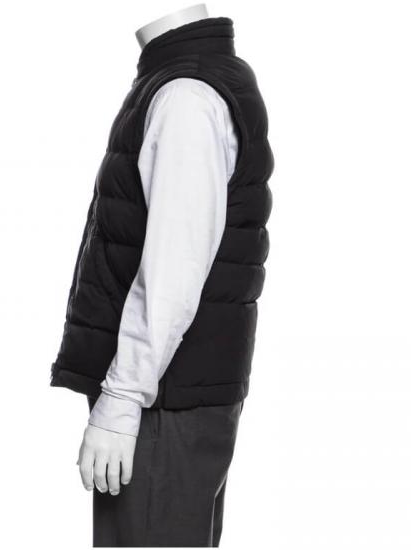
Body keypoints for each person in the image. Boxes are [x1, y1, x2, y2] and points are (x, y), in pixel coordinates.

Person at [51, 5, 274, 546]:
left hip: (164, 400)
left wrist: (122, 399)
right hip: (174, 395)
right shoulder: (188, 79)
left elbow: (174, 269)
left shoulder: (185, 96)